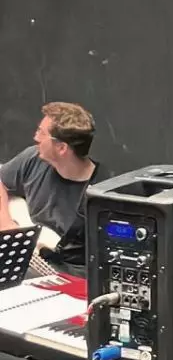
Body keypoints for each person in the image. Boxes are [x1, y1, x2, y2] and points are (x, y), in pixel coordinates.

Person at [0, 102, 105, 277]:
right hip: (26, 258)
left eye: (42, 133)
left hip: (63, 272)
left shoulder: (98, 194)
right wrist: (6, 223)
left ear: (62, 148)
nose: (36, 137)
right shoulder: (32, 158)